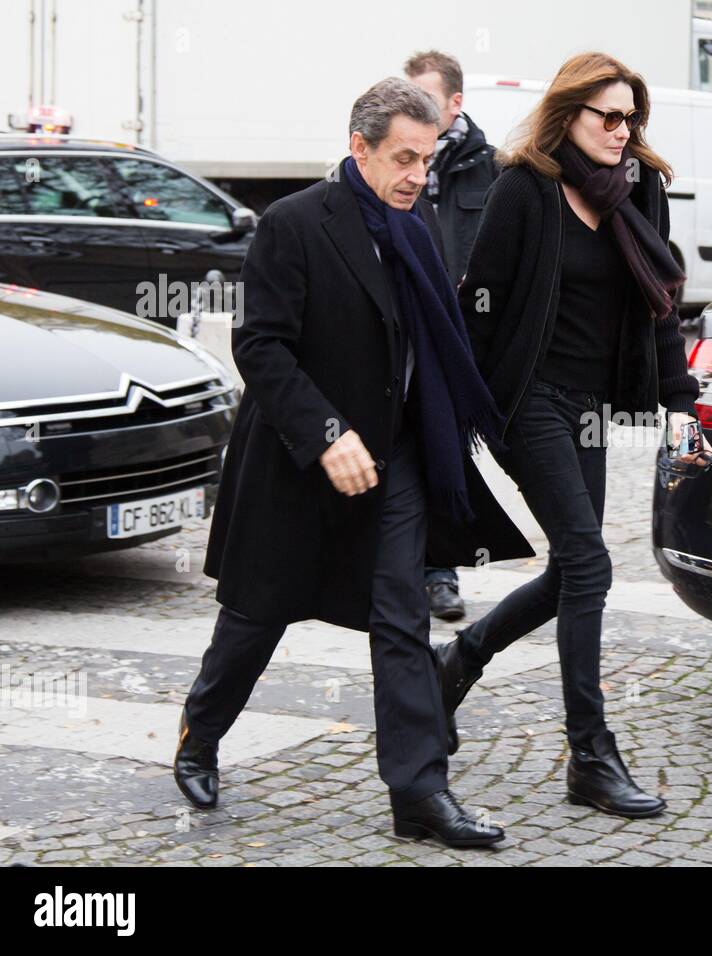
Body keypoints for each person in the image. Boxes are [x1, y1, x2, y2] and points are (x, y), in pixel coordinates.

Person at [175, 77, 533, 849]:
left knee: (401, 618)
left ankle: (419, 793)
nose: (416, 174)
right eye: (403, 157)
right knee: (256, 618)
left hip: (394, 458)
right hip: (299, 462)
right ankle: (199, 735)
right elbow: (260, 347)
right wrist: (328, 431)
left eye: (426, 159)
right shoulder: (293, 223)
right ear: (358, 148)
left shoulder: (418, 224)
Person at [436, 52, 712, 818]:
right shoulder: (524, 189)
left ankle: (458, 660)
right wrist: (451, 407)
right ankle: (591, 756)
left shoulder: (640, 189)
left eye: (633, 118)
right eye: (610, 117)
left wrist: (678, 403)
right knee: (591, 562)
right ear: (570, 116)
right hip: (526, 402)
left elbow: (660, 303)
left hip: (589, 406)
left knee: (572, 571)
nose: (624, 132)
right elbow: (477, 305)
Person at [405, 49, 500, 623]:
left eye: (428, 100)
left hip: (461, 339)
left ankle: (441, 573)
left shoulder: (491, 167)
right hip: (404, 333)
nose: (416, 109)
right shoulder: (396, 155)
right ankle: (398, 568)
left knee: (445, 455)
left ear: (455, 102)